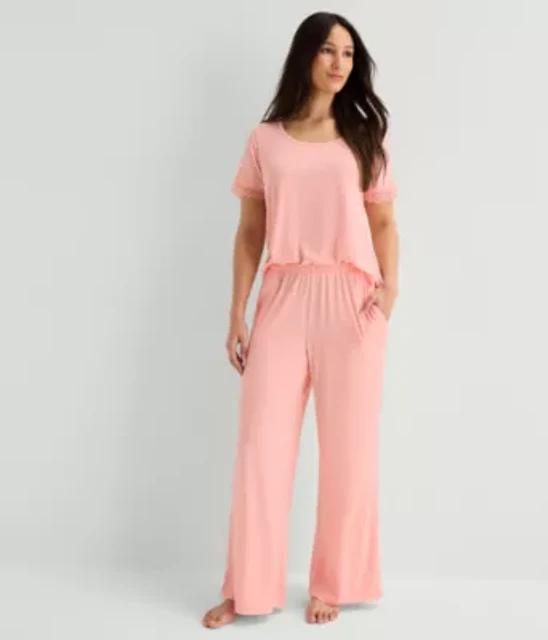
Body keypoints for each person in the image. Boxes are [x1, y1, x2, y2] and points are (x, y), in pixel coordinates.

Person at [202, 10, 399, 628]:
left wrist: (390, 292)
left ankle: (335, 583)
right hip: (283, 296)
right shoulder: (266, 139)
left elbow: (384, 222)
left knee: (349, 452)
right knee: (259, 447)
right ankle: (247, 588)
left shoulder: (364, 135)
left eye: (349, 53)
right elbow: (249, 232)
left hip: (351, 300)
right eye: (328, 51)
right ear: (306, 56)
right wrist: (237, 312)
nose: (340, 63)